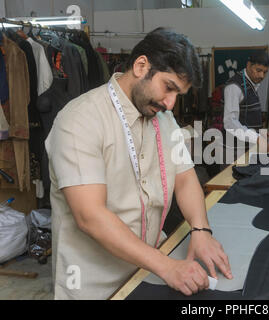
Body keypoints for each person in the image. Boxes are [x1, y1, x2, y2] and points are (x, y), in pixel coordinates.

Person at [45, 27, 232, 300]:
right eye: (169, 88)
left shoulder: (163, 119)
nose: (170, 103)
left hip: (147, 270)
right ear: (141, 66)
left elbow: (185, 176)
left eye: (178, 95)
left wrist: (200, 230)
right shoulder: (79, 120)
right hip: (95, 286)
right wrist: (167, 266)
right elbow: (90, 216)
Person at [223, 51, 269, 159]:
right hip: (234, 151)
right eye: (258, 70)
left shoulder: (252, 83)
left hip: (247, 149)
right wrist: (257, 138)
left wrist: (259, 133)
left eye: (265, 72)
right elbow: (230, 122)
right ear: (248, 65)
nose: (262, 75)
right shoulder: (234, 87)